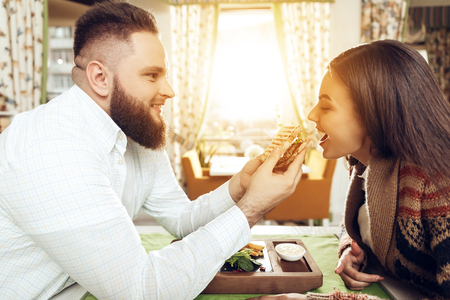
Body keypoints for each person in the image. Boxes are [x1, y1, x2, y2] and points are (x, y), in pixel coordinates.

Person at [0, 2, 308, 299]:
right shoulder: (50, 149)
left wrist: (241, 187)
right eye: (152, 75)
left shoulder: (133, 130)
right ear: (100, 78)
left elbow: (181, 218)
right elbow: (143, 291)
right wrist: (252, 208)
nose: (170, 91)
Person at [248, 40, 450, 300]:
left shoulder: (438, 185)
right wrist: (350, 249)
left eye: (326, 105)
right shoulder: (366, 166)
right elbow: (358, 224)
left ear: (373, 110)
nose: (311, 115)